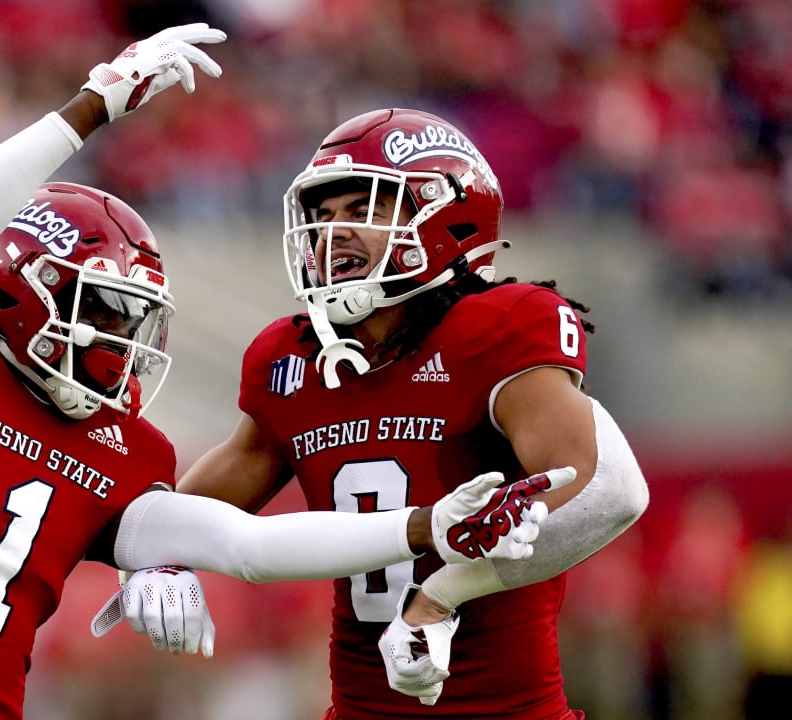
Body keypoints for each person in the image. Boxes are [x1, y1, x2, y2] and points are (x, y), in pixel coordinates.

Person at [0, 28, 574, 720]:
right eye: (106, 312)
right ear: (25, 285)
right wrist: (90, 108)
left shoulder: (115, 448)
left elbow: (247, 542)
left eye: (132, 320)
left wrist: (428, 528)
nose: (121, 344)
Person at [148, 108, 651, 719]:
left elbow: (605, 489)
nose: (334, 234)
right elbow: (203, 504)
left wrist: (441, 596)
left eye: (364, 209)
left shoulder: (498, 327)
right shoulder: (292, 357)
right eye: (323, 216)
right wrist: (154, 558)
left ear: (444, 215)